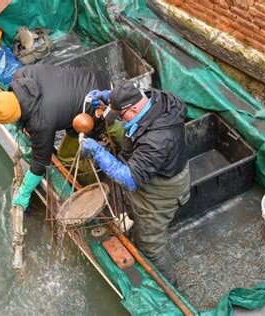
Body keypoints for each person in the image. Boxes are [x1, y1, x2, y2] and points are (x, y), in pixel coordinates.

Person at [81, 82, 190, 283]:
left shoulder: (156, 141)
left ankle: (170, 285)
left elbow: (130, 180)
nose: (120, 121)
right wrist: (110, 97)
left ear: (133, 109)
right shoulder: (155, 98)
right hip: (164, 168)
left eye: (121, 116)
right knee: (135, 208)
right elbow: (131, 93)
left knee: (150, 245)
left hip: (163, 190)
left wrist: (98, 152)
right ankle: (137, 220)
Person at [0, 64, 120, 210]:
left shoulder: (40, 121)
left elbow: (40, 163)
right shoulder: (23, 73)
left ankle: (91, 187)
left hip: (96, 106)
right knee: (112, 125)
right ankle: (122, 135)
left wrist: (25, 192)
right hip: (99, 81)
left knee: (67, 156)